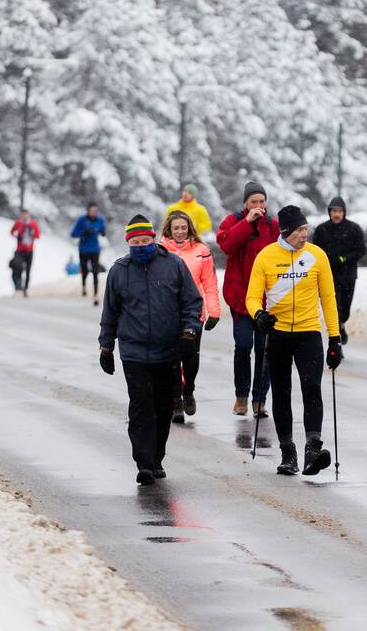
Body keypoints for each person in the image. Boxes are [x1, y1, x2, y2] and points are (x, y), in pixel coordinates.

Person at [98, 215, 203, 486]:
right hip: (133, 352)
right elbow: (110, 312)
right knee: (141, 407)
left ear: (153, 239)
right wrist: (106, 346)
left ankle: (157, 458)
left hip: (167, 350)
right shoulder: (119, 271)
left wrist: (189, 332)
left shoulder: (173, 265)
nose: (141, 246)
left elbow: (192, 302)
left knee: (163, 407)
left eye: (145, 241)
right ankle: (144, 463)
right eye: (136, 242)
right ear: (128, 243)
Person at [247, 205, 343, 476]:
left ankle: (313, 449)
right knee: (281, 393)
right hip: (278, 334)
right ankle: (287, 452)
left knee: (312, 387)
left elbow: (328, 298)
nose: (304, 234)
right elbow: (252, 297)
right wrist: (259, 315)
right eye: (299, 230)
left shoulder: (317, 256)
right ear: (285, 232)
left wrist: (334, 339)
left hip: (308, 332)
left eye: (305, 229)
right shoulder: (266, 256)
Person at [216, 181, 279, 416]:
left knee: (264, 350)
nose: (259, 205)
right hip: (240, 297)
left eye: (262, 201)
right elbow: (226, 245)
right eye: (254, 201)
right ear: (246, 203)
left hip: (266, 299)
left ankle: (259, 400)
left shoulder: (273, 225)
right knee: (243, 346)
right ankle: (241, 397)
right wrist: (247, 223)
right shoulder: (232, 221)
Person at [159, 210, 221, 423]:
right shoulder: (161, 250)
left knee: (191, 358)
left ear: (189, 228)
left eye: (183, 228)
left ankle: (189, 390)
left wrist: (214, 311)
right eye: (176, 228)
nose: (179, 231)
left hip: (194, 313)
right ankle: (176, 399)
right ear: (169, 229)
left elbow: (209, 283)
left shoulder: (201, 251)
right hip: (168, 313)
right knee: (172, 359)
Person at [312, 196, 366, 344]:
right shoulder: (322, 230)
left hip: (348, 275)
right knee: (334, 305)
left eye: (340, 211)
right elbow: (315, 251)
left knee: (345, 309)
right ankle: (336, 336)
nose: (337, 214)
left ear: (344, 212)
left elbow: (361, 250)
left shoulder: (354, 229)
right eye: (334, 211)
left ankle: (341, 324)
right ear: (329, 212)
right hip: (328, 275)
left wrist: (344, 259)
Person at [71, 202, 108, 306]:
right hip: (83, 250)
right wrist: (83, 233)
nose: (93, 213)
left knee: (95, 272)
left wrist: (103, 232)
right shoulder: (81, 220)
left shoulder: (100, 219)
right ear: (87, 211)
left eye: (95, 211)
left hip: (95, 250)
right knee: (85, 270)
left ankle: (96, 296)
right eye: (91, 211)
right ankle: (84, 286)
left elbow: (103, 230)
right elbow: (73, 233)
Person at [10, 210, 41, 297]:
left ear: (28, 215)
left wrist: (32, 234)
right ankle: (18, 286)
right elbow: (11, 232)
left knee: (28, 270)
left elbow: (38, 236)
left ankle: (25, 289)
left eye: (25, 215)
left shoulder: (33, 224)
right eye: (22, 215)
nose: (24, 216)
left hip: (29, 251)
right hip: (19, 251)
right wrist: (17, 236)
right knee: (17, 267)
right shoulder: (18, 223)